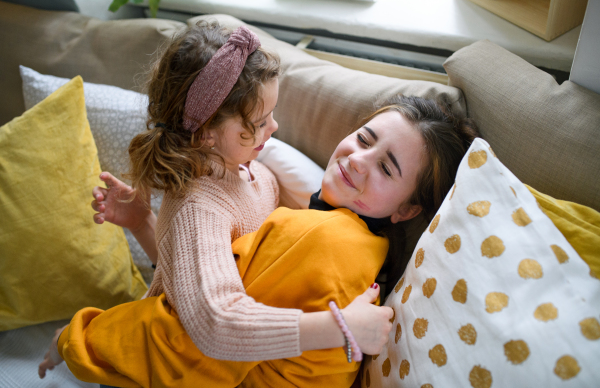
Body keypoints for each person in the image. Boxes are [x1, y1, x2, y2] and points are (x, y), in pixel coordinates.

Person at [39, 94, 479, 387]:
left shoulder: (325, 238)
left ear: (406, 211)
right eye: (364, 139)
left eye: (387, 168)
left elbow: (194, 336)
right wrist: (144, 225)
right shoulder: (350, 241)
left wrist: (80, 338)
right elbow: (209, 294)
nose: (358, 160)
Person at [38, 20, 393, 380]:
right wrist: (341, 327)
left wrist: (142, 223)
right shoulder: (199, 206)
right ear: (207, 132)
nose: (274, 128)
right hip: (165, 368)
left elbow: (202, 279)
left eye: (273, 114)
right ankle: (68, 343)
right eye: (259, 121)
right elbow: (212, 321)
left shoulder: (259, 176)